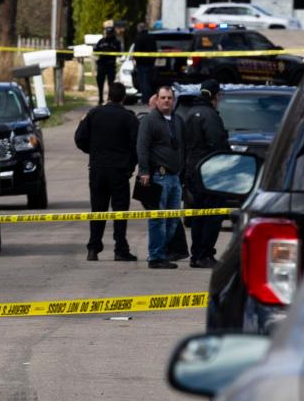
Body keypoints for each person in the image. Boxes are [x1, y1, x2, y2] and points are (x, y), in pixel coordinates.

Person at [75, 82, 139, 262]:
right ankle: (120, 249)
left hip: (97, 170)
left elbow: (79, 138)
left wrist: (93, 152)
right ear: (124, 97)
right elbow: (136, 146)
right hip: (119, 171)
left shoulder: (94, 114)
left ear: (108, 95)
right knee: (120, 212)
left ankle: (93, 248)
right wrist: (129, 165)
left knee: (98, 210)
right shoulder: (128, 118)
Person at [137, 85, 186, 269]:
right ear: (157, 100)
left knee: (172, 221)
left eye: (169, 98)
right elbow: (142, 147)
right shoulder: (149, 121)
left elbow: (183, 147)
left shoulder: (178, 120)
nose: (166, 101)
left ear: (173, 100)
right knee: (157, 220)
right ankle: (155, 256)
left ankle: (163, 253)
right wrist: (144, 172)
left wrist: (183, 171)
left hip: (175, 178)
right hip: (157, 177)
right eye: (163, 98)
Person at [183, 79, 229, 268]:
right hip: (209, 172)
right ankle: (205, 254)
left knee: (199, 215)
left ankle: (197, 254)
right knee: (212, 215)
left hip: (193, 171)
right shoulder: (210, 115)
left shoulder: (191, 113)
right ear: (214, 96)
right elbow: (218, 144)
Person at [95, 26, 122, 105]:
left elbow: (119, 53)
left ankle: (109, 99)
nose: (108, 35)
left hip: (111, 65)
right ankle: (100, 99)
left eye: (109, 33)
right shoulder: (101, 41)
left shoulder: (116, 42)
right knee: (100, 82)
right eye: (107, 33)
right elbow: (96, 50)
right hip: (101, 65)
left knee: (111, 84)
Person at [133, 23, 157, 104]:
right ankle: (150, 99)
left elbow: (136, 52)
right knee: (149, 82)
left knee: (144, 83)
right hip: (151, 64)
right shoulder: (151, 37)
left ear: (140, 29)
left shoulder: (139, 38)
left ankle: (145, 100)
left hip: (142, 64)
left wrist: (136, 61)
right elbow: (155, 50)